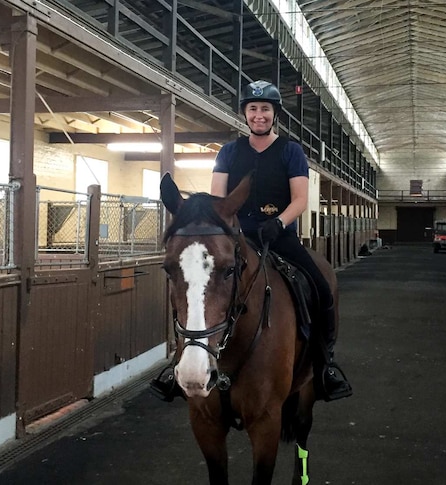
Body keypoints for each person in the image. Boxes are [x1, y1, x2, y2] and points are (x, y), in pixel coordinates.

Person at [150, 80, 352, 402]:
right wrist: (221, 230)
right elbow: (219, 198)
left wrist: (279, 223)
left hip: (278, 235)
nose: (259, 115)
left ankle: (324, 364)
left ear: (274, 115)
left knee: (320, 286)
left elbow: (300, 199)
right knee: (200, 287)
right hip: (235, 236)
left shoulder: (291, 151)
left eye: (265, 109)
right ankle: (179, 360)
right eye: (253, 109)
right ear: (245, 113)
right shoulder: (229, 152)